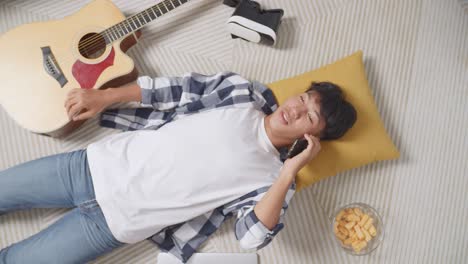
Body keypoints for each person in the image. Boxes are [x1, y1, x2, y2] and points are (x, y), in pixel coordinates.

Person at [0, 71, 356, 263]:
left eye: (309, 116)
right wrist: (102, 97)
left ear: (314, 138)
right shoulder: (240, 93)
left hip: (113, 225)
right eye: (304, 99)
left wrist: (290, 170)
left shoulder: (273, 182)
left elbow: (251, 239)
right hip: (91, 168)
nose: (295, 109)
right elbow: (170, 91)